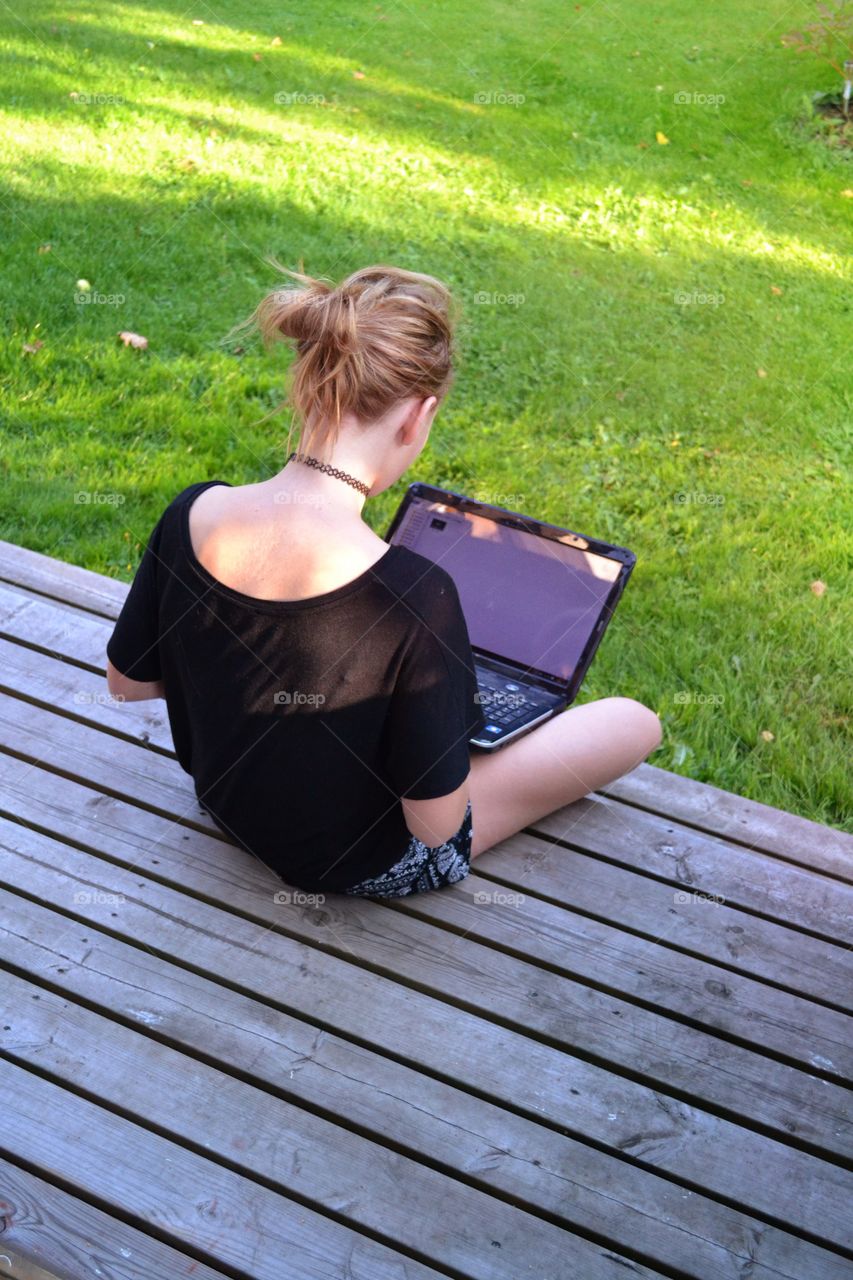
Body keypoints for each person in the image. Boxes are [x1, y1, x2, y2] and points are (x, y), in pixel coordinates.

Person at [106, 262, 662, 899]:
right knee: (632, 722)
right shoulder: (414, 597)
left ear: (309, 384)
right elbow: (433, 824)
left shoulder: (195, 512)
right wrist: (439, 722)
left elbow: (127, 684)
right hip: (355, 861)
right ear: (418, 417)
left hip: (227, 802)